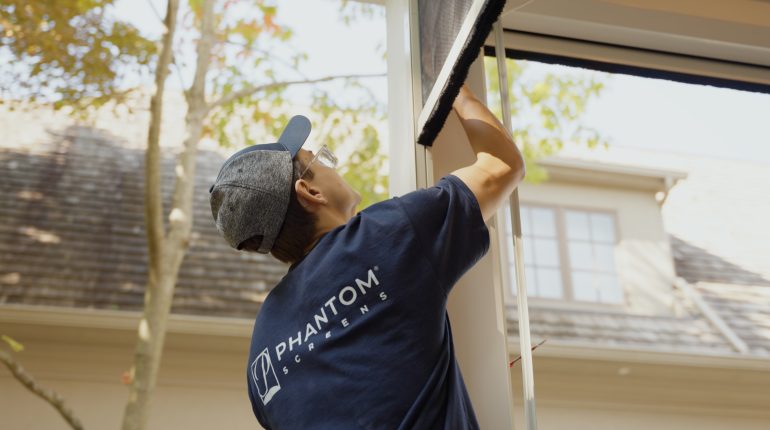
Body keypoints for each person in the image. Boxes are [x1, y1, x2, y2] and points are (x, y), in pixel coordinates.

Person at [209, 83, 525, 429]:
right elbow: (502, 166)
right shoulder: (384, 235)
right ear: (310, 191)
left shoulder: (262, 352)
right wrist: (457, 88)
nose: (333, 166)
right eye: (319, 159)